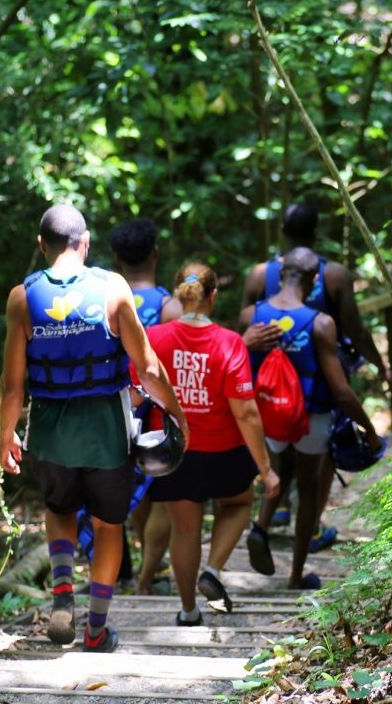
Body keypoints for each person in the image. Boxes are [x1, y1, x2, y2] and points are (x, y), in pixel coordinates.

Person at [0, 204, 187, 653]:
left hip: (49, 429)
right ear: (85, 243)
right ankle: (96, 630)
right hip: (106, 428)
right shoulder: (113, 288)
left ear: (41, 244)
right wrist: (176, 415)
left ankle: (63, 592)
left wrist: (6, 434)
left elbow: (12, 384)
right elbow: (148, 368)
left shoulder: (22, 298)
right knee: (108, 525)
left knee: (59, 509)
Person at [133, 263, 280, 625]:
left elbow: (135, 395)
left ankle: (188, 611)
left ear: (177, 295)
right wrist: (266, 469)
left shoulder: (153, 337)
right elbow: (246, 411)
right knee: (239, 502)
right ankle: (212, 570)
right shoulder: (229, 342)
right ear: (213, 296)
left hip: (174, 452)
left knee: (185, 529)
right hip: (224, 452)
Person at [241, 202, 389, 550]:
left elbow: (244, 331)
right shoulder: (333, 274)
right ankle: (311, 529)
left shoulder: (260, 275)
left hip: (270, 390)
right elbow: (355, 330)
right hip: (318, 386)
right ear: (316, 232)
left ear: (282, 231)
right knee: (317, 464)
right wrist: (380, 366)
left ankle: (274, 511)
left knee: (281, 456)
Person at [76, 218, 172, 583]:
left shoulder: (103, 301)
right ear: (155, 253)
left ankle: (129, 566)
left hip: (114, 407)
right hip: (156, 409)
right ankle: (148, 567)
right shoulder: (169, 307)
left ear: (117, 259)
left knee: (125, 486)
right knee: (156, 490)